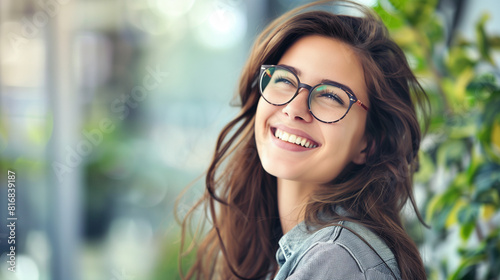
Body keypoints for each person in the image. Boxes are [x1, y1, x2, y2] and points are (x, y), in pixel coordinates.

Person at [178, 0, 429, 279]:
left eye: (331, 96)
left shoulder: (337, 259)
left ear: (368, 143)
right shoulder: (285, 250)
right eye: (285, 80)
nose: (294, 108)